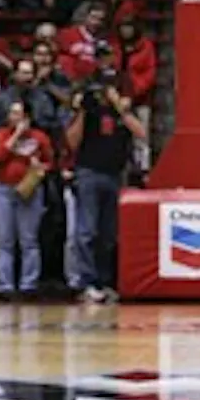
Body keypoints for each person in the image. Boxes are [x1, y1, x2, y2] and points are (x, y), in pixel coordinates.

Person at [65, 70, 148, 303]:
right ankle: (87, 282)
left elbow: (141, 133)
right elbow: (72, 142)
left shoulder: (121, 112)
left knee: (109, 234)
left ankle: (105, 280)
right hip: (89, 172)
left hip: (114, 175)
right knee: (87, 231)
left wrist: (119, 107)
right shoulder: (89, 110)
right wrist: (81, 110)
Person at [0, 98, 53, 298]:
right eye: (12, 113)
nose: (14, 117)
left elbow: (50, 161)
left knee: (29, 239)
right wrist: (16, 134)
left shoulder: (39, 138)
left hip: (30, 190)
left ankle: (29, 283)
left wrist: (41, 167)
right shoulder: (3, 134)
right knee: (5, 240)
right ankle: (5, 284)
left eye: (18, 113)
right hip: (4, 189)